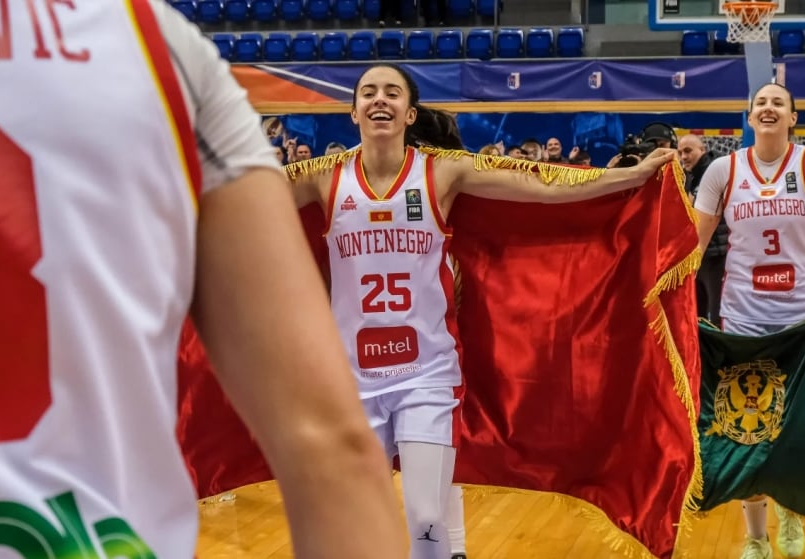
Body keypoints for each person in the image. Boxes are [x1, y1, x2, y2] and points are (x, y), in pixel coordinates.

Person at [0, 3, 406, 559]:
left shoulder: (433, 169)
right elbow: (332, 448)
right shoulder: (154, 44)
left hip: (415, 356)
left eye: (391, 94)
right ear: (351, 112)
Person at [284, 62, 675, 559]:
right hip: (350, 380)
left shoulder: (443, 172)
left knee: (426, 519)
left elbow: (547, 185)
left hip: (424, 373)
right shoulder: (323, 177)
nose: (379, 100)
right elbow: (238, 200)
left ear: (409, 113)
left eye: (391, 93)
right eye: (368, 93)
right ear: (353, 111)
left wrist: (624, 177)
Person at [694, 82, 805, 559]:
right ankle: (756, 538)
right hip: (743, 321)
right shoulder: (721, 170)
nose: (768, 108)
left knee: (802, 427)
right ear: (749, 118)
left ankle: (791, 509)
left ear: (794, 118)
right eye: (761, 103)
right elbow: (692, 245)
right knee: (743, 430)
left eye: (778, 103)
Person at [679, 133, 727, 326]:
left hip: (717, 257)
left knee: (717, 315)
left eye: (688, 151)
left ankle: (720, 355)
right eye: (680, 152)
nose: (683, 157)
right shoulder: (691, 176)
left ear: (702, 150)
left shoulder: (712, 172)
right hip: (700, 256)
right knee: (696, 315)